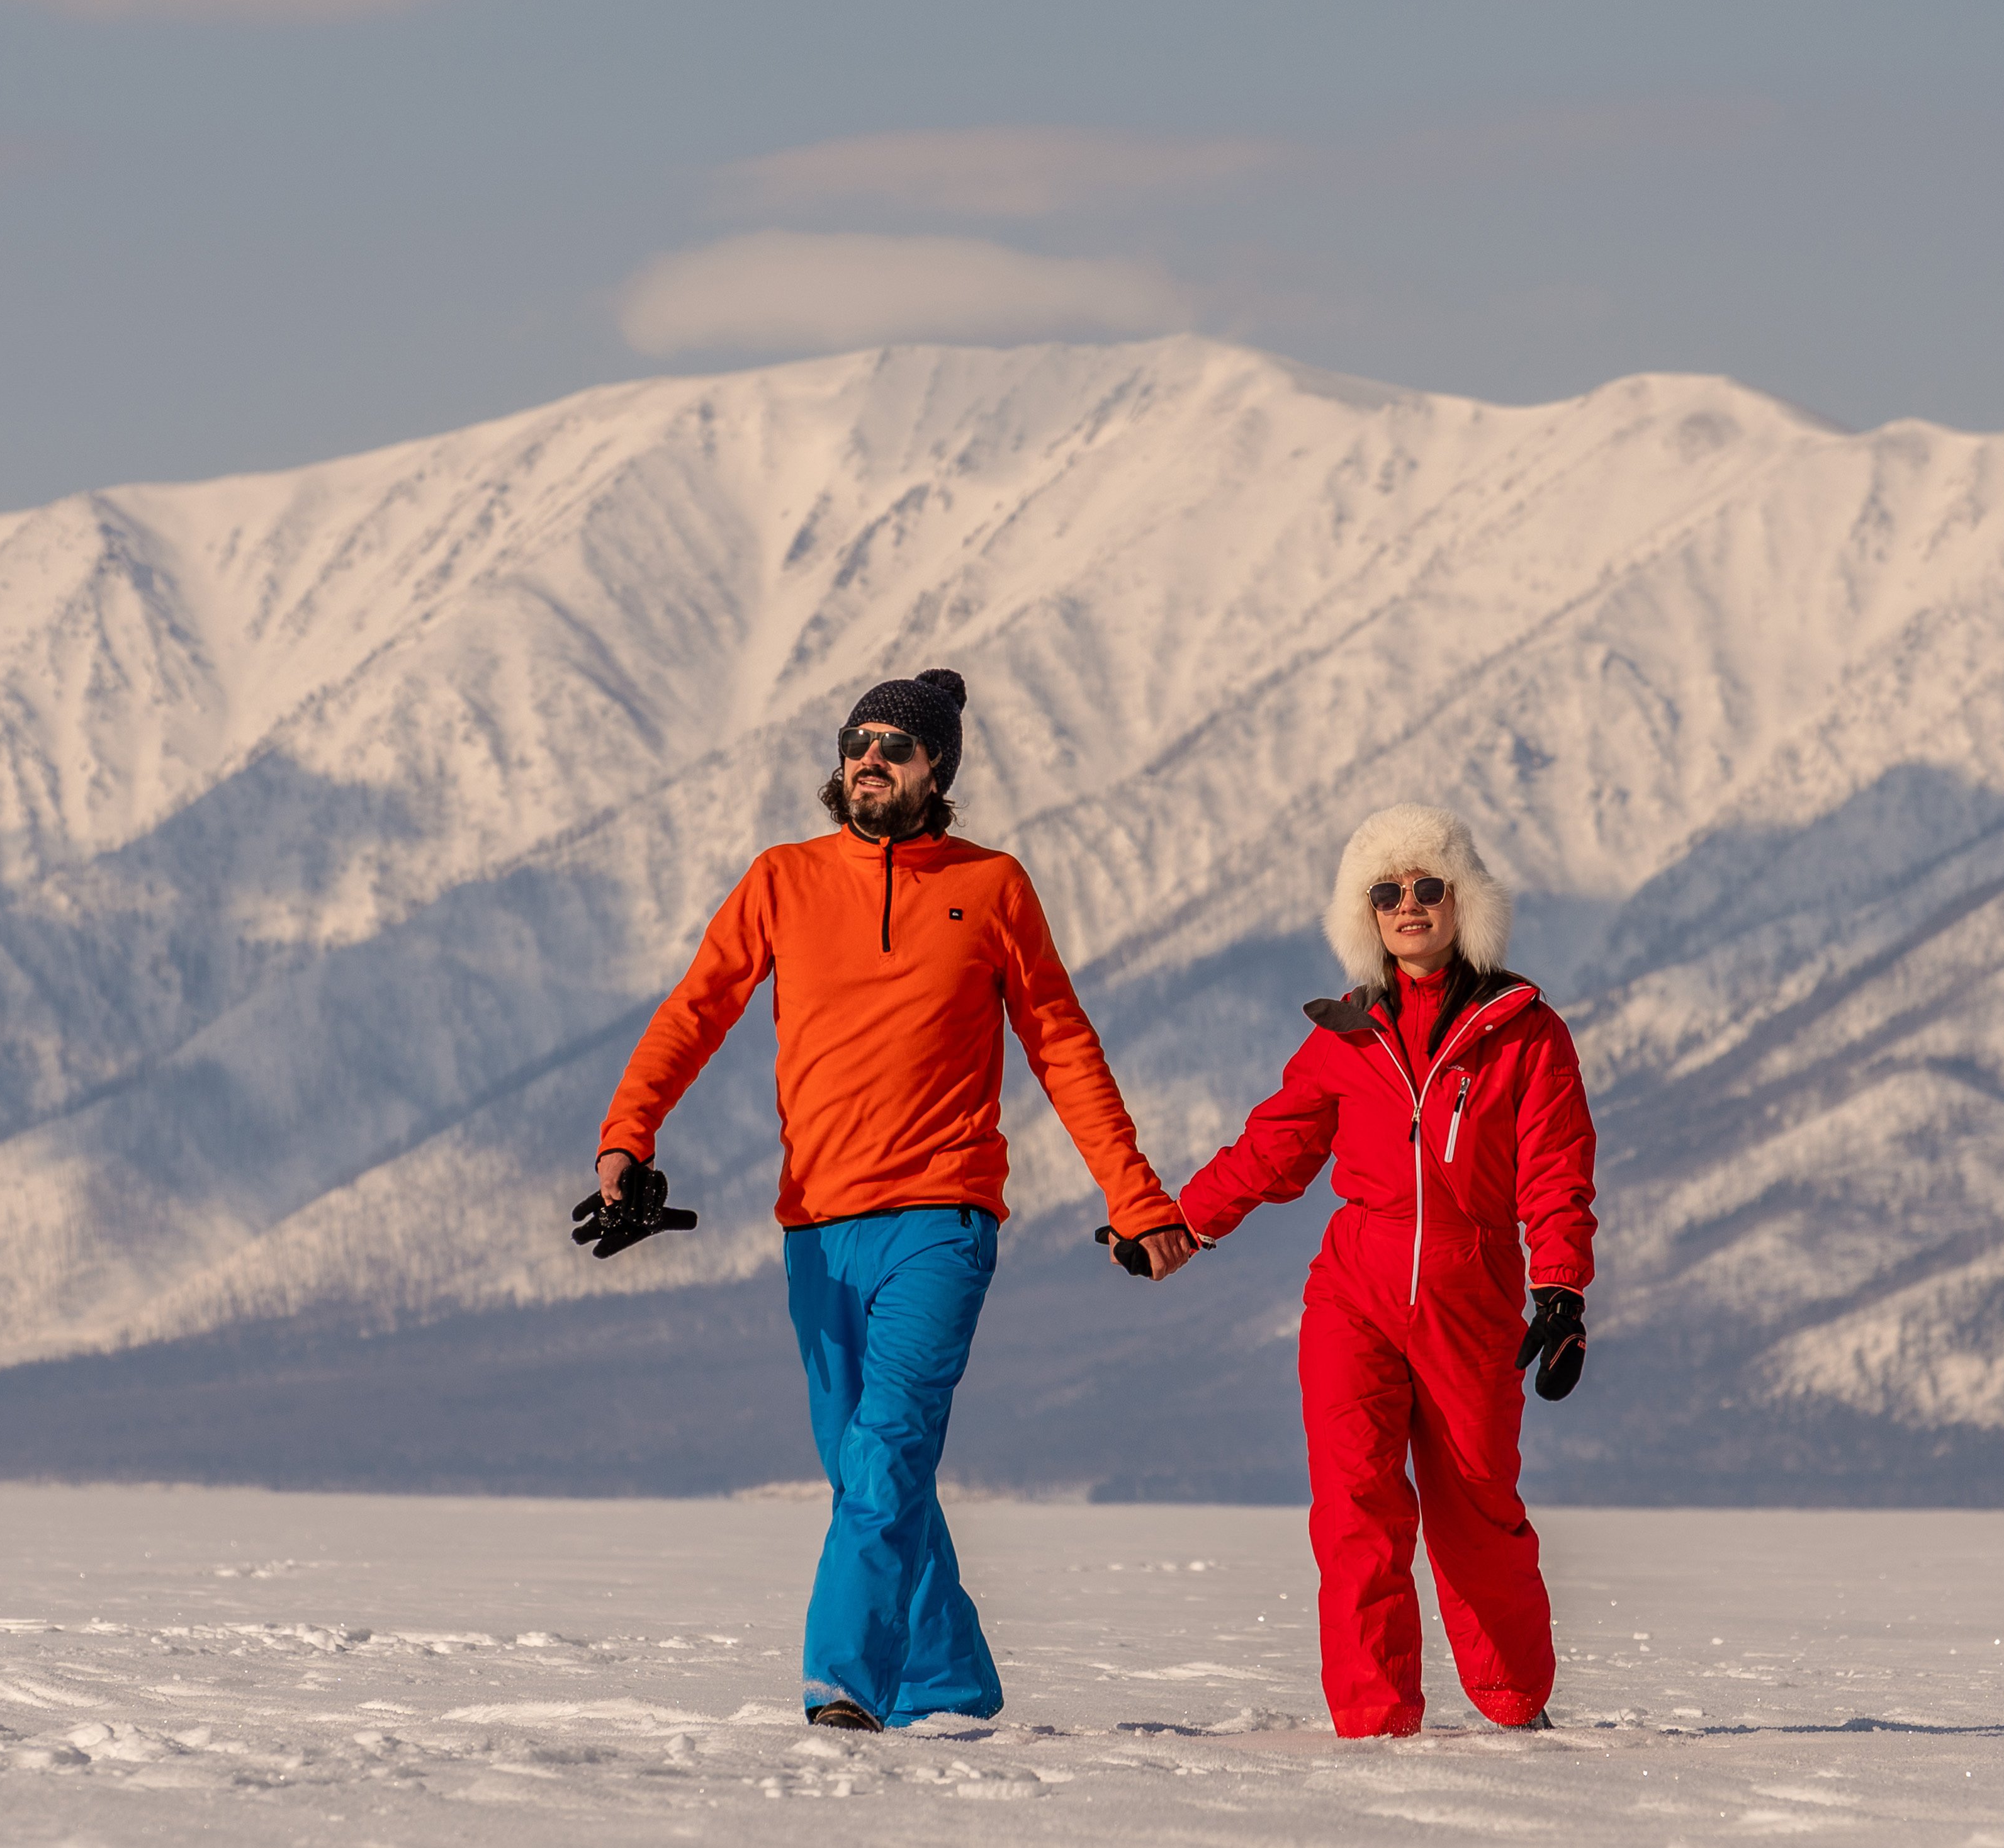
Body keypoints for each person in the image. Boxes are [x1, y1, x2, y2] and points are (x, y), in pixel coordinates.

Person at [590, 667, 1199, 1730]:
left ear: (936, 772)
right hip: (817, 1233)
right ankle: (951, 1686)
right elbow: (695, 1011)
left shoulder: (994, 886)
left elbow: (1063, 1047)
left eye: (897, 745)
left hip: (941, 1217)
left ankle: (844, 1686)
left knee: (884, 1455)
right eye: (858, 740)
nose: (870, 756)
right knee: (869, 1472)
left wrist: (1136, 1196)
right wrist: (626, 1138)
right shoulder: (782, 878)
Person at [1172, 804, 1597, 1738]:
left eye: (1427, 886)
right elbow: (1272, 1149)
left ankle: (1515, 1702)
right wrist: (1178, 1226)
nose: (1408, 905)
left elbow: (1556, 1170)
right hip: (1352, 1292)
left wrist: (1558, 1289)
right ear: (1362, 913)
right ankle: (1372, 1723)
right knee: (1354, 1508)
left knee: (1476, 1509)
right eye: (1386, 891)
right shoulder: (1345, 1034)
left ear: (1463, 901)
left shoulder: (1523, 1033)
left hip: (1470, 1291)